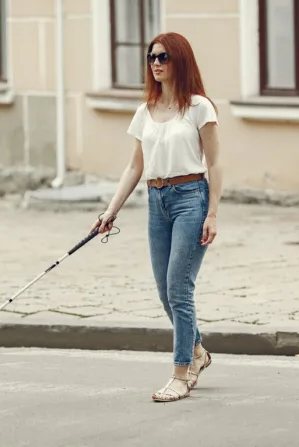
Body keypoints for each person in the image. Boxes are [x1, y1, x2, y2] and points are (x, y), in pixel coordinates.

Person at [91, 32, 223, 402]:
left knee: (179, 290)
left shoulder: (199, 107)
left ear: (180, 60)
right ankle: (198, 351)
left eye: (164, 57)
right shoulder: (144, 110)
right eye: (152, 57)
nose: (156, 64)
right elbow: (135, 166)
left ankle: (182, 373)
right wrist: (110, 211)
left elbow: (215, 163)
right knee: (165, 293)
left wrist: (212, 213)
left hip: (190, 199)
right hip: (156, 200)